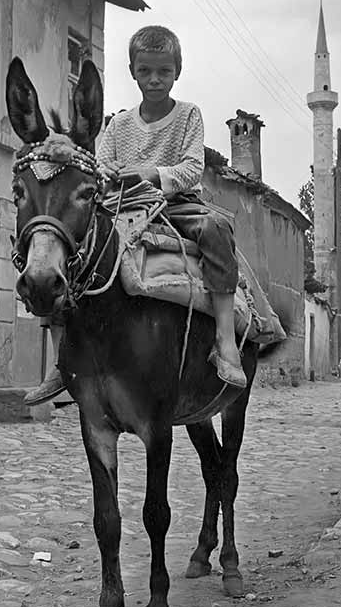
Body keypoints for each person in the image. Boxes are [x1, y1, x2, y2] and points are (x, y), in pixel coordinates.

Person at [25, 25, 246, 404]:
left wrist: (151, 174)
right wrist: (108, 175)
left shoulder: (189, 115)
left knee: (217, 229)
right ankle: (61, 361)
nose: (155, 80)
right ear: (133, 72)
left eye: (164, 71)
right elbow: (103, 167)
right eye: (146, 71)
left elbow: (193, 168)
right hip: (122, 208)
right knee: (66, 244)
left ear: (178, 71)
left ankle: (225, 339)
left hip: (176, 205)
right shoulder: (118, 124)